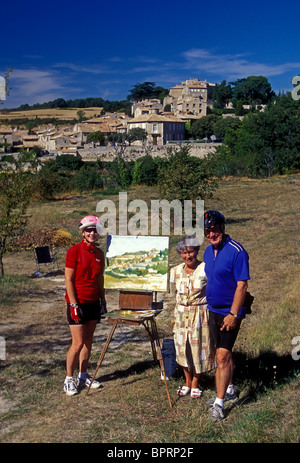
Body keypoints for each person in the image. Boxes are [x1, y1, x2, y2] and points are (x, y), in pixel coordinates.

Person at [203, 210, 250, 421]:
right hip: (212, 310)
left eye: (214, 229)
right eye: (208, 231)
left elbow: (242, 285)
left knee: (222, 356)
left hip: (229, 312)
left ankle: (219, 404)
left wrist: (233, 313)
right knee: (223, 353)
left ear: (223, 227)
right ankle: (230, 388)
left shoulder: (237, 251)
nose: (212, 234)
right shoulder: (207, 252)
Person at [63, 215, 106, 396]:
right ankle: (69, 379)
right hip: (77, 303)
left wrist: (103, 300)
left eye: (95, 230)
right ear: (82, 232)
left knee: (88, 341)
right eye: (89, 230)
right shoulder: (74, 251)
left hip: (93, 302)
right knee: (78, 342)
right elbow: (69, 279)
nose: (92, 233)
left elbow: (99, 278)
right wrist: (74, 304)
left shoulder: (99, 253)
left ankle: (83, 374)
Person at [169, 235, 216, 399]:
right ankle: (187, 382)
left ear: (196, 251)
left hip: (200, 314)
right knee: (182, 348)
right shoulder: (174, 271)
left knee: (198, 348)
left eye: (191, 252)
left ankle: (196, 382)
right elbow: (172, 294)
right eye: (184, 252)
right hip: (181, 314)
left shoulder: (206, 268)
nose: (188, 256)